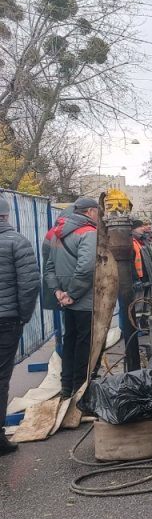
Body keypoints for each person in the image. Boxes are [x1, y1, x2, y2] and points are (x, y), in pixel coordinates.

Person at [43, 197, 98, 399]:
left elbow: (49, 267)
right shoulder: (89, 233)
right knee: (85, 343)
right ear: (91, 211)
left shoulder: (58, 232)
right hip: (83, 299)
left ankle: (66, 387)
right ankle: (80, 389)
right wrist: (73, 295)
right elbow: (86, 268)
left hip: (65, 299)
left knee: (70, 341)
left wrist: (58, 291)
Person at [0, 195, 40, 455]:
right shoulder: (16, 242)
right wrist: (22, 316)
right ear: (6, 215)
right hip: (6, 320)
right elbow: (29, 284)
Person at [130, 218, 152, 330]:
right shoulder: (131, 243)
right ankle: (137, 328)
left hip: (147, 278)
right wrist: (135, 279)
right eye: (140, 226)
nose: (143, 228)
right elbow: (131, 264)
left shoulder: (142, 241)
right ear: (133, 229)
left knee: (147, 303)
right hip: (139, 279)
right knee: (139, 305)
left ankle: (145, 324)